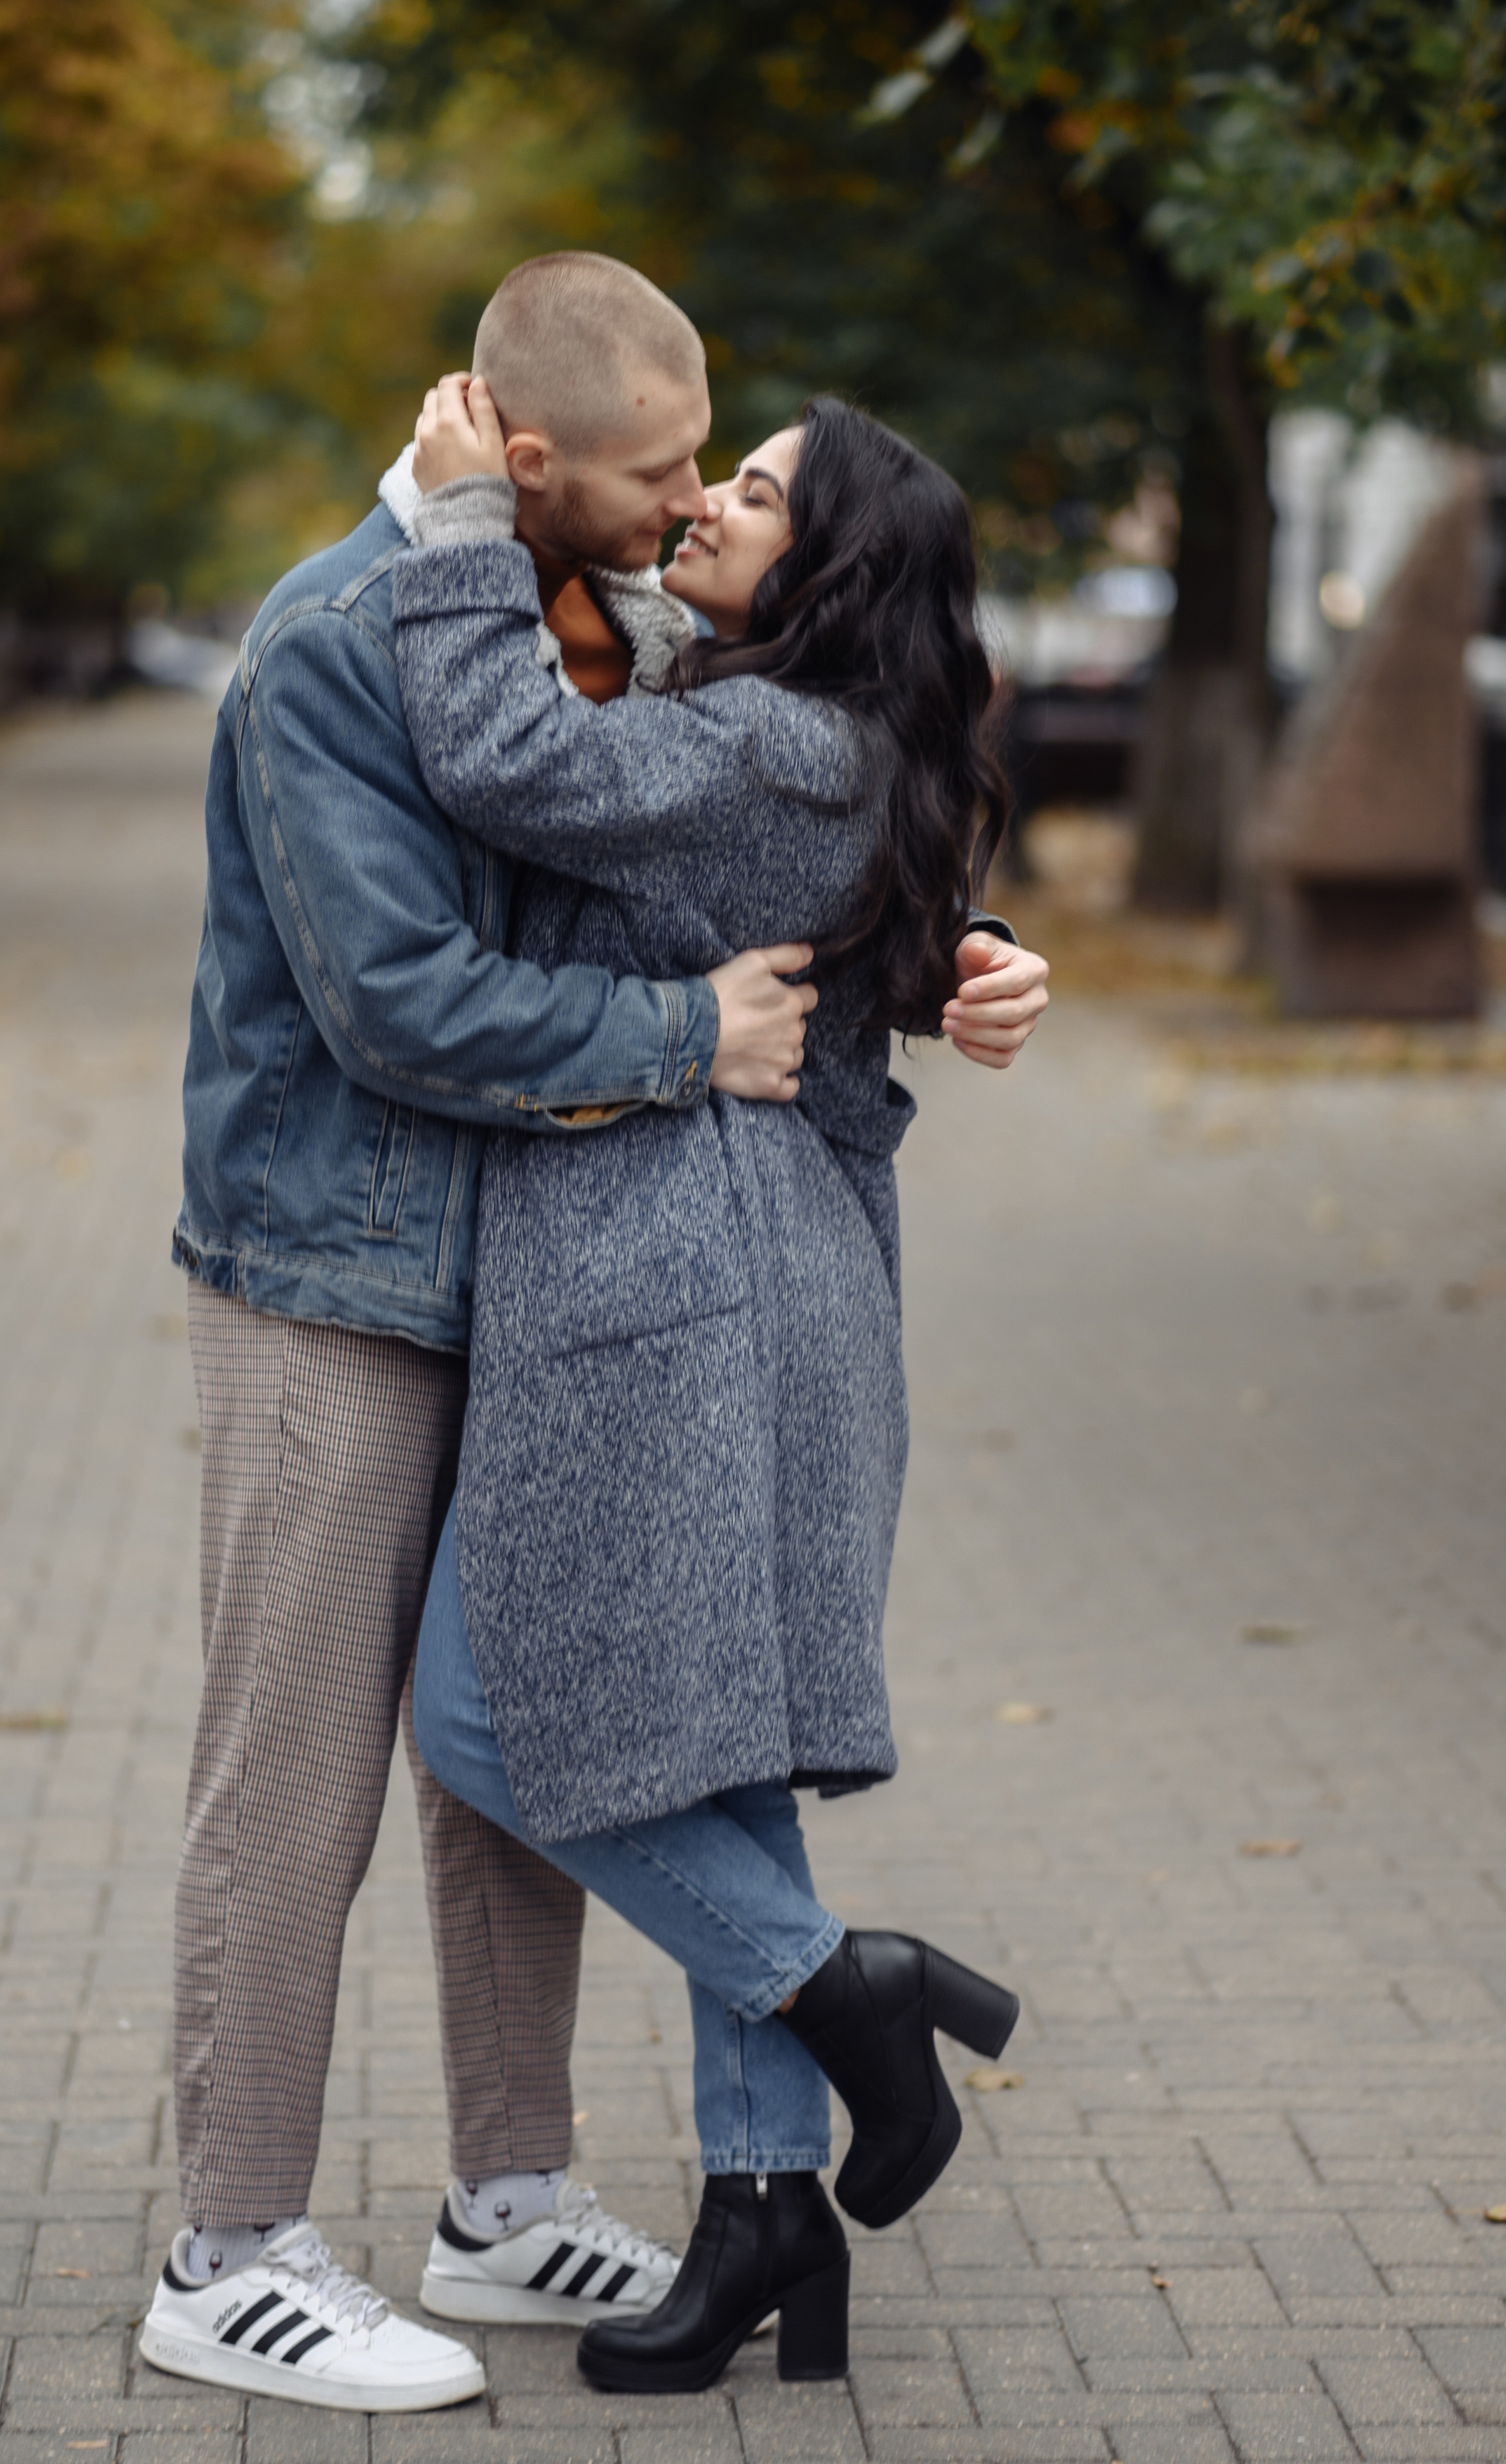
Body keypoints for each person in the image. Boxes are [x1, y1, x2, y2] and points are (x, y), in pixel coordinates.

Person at [138, 251, 1049, 2414]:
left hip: (549, 1270)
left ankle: (507, 2195)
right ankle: (232, 2242)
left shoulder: (606, 617)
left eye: (705, 474)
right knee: (305, 1777)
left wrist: (950, 952)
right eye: (653, 479)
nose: (675, 515)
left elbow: (754, 825)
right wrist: (688, 1035)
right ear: (518, 459)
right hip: (343, 1277)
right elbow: (404, 1005)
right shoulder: (341, 644)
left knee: (524, 1771)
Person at [394, 363, 1044, 2398]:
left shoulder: (764, 740)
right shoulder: (817, 732)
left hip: (684, 1282)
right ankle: (768, 2214)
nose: (707, 514)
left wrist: (448, 535)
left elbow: (512, 764)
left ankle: (845, 1989)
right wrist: (984, 948)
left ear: (828, 564)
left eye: (752, 496)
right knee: (712, 1750)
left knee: (486, 1712)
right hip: (779, 1281)